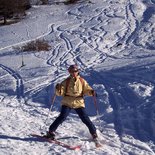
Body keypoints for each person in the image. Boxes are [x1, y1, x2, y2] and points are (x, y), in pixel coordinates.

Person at [45, 65, 98, 140]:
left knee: (85, 118)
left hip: (79, 102)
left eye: (75, 71)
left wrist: (91, 92)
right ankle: (51, 131)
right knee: (62, 117)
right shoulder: (66, 81)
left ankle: (94, 133)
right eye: (71, 71)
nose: (73, 73)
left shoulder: (82, 81)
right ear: (69, 72)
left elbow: (86, 89)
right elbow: (60, 93)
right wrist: (58, 89)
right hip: (67, 102)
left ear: (78, 71)